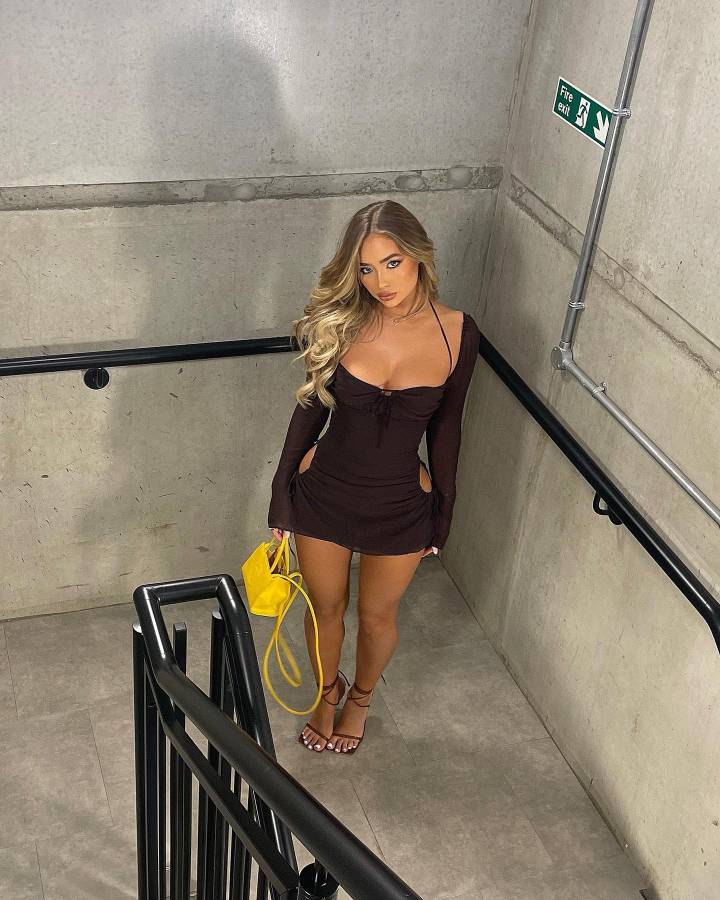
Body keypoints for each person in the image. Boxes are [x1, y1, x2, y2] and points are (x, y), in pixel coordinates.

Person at [268, 200, 481, 755]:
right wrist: (280, 498)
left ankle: (359, 700)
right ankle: (326, 693)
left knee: (378, 616)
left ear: (418, 256)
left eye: (392, 263)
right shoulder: (342, 322)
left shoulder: (458, 332)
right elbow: (308, 411)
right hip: (324, 493)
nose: (380, 282)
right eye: (365, 268)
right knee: (325, 609)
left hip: (401, 503)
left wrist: (443, 516)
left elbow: (447, 432)